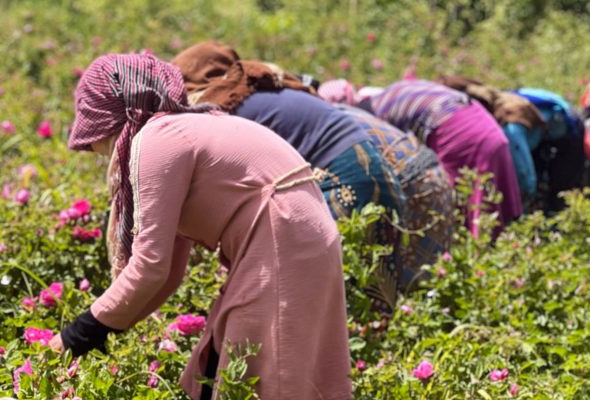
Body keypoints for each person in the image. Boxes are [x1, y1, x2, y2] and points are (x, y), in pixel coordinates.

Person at [49, 53, 352, 400]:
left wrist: (76, 335)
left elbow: (149, 267)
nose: (100, 155)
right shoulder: (186, 128)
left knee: (259, 374)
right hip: (298, 232)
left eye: (97, 142)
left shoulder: (157, 139)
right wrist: (108, 327)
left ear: (114, 118)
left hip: (281, 238)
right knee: (219, 364)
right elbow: (166, 274)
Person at [172, 41, 407, 313]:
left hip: (342, 179)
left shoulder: (225, 109)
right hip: (377, 174)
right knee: (364, 305)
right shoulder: (264, 90)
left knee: (315, 306)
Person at [319, 78, 523, 237]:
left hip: (458, 132)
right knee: (490, 211)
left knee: (463, 216)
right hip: (484, 125)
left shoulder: (367, 114)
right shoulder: (390, 94)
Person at [317, 82, 453, 287]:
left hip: (410, 184)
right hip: (435, 175)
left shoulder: (328, 123)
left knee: (398, 281)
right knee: (430, 279)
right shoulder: (356, 115)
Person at [438, 75, 547, 210]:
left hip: (528, 132)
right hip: (531, 134)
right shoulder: (489, 100)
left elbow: (525, 176)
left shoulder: (510, 125)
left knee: (524, 181)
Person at [514, 88, 585, 213]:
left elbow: (525, 176)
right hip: (551, 125)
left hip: (568, 131)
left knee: (561, 191)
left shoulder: (511, 128)